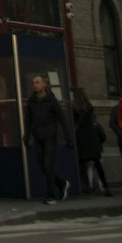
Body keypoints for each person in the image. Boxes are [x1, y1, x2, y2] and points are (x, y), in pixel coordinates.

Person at [23, 74, 72, 204]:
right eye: (34, 83)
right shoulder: (31, 101)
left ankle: (50, 194)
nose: (35, 85)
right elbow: (28, 120)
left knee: (48, 164)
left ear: (44, 85)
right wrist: (26, 136)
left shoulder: (51, 100)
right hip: (37, 136)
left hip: (50, 135)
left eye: (38, 82)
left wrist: (68, 138)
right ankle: (61, 183)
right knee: (42, 165)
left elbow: (62, 119)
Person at [72, 87, 111, 196]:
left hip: (81, 140)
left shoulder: (74, 109)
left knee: (82, 165)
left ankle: (86, 186)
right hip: (92, 140)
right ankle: (105, 186)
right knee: (97, 164)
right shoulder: (89, 108)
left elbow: (75, 125)